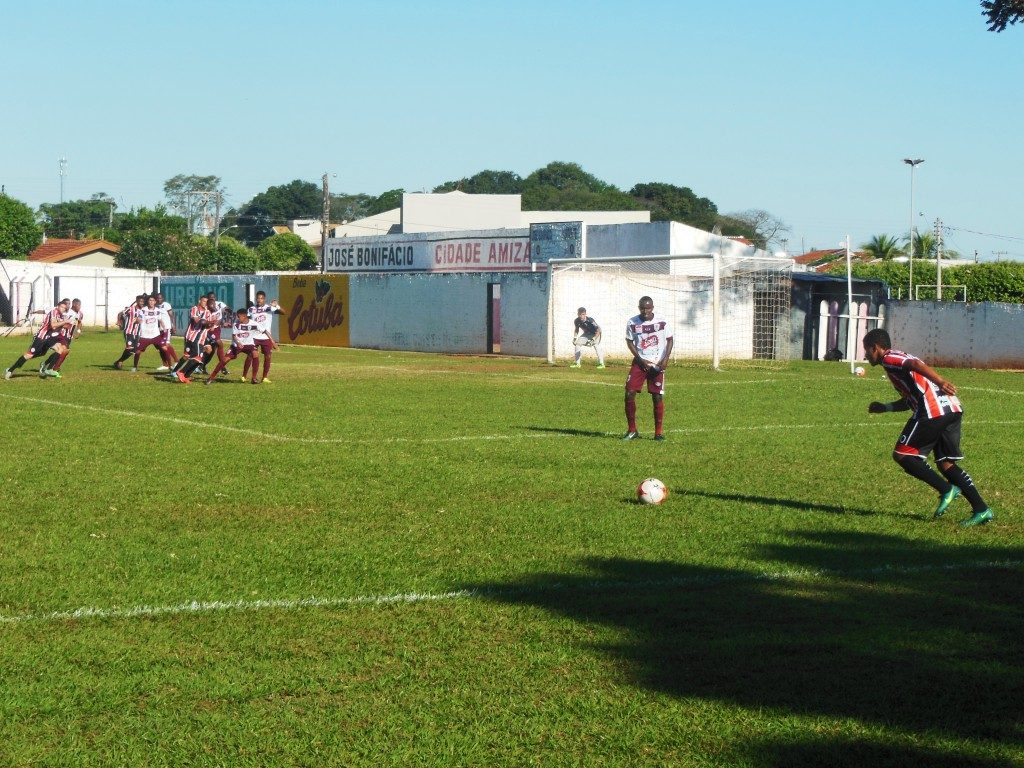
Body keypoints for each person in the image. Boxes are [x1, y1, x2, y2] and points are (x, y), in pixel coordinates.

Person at [863, 328, 994, 527]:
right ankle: (982, 509)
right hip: (951, 409)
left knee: (903, 455)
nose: (866, 355)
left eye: (867, 350)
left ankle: (946, 489)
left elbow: (915, 364)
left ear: (876, 348)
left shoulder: (890, 358)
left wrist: (941, 381)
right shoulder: (895, 365)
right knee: (946, 464)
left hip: (933, 411)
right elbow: (909, 399)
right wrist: (886, 407)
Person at [623, 296, 673, 441]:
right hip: (640, 363)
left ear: (652, 307)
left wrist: (666, 359)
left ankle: (658, 433)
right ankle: (632, 430)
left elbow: (670, 339)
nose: (645, 311)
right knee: (629, 393)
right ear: (639, 308)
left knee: (657, 396)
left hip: (657, 363)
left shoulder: (662, 321)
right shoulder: (632, 322)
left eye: (648, 308)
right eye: (643, 308)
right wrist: (640, 359)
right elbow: (629, 341)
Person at [4, 299, 73, 379]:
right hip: (41, 337)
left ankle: (49, 369)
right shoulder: (54, 312)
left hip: (49, 338)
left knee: (60, 349)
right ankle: (10, 370)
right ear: (58, 306)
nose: (62, 309)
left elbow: (61, 325)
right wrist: (65, 322)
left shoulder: (60, 316)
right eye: (61, 307)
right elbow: (53, 325)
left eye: (64, 308)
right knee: (29, 355)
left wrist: (69, 323)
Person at [205, 308, 261, 385]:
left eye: (239, 316)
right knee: (225, 360)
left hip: (249, 345)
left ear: (244, 316)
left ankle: (254, 378)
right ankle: (211, 377)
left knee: (255, 354)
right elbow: (234, 336)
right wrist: (238, 343)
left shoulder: (254, 324)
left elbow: (264, 330)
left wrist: (271, 341)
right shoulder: (236, 324)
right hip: (236, 345)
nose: (237, 318)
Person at [170, 296, 215, 381]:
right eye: (203, 301)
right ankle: (177, 372)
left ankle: (186, 374)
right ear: (199, 301)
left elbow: (210, 326)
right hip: (192, 336)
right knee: (188, 356)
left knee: (207, 351)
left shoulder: (208, 312)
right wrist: (207, 322)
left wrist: (209, 323)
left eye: (206, 301)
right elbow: (197, 320)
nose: (205, 303)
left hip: (202, 336)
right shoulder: (195, 309)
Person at [40, 298, 84, 378]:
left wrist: (78, 331)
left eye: (80, 305)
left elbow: (80, 322)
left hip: (69, 337)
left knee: (62, 352)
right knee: (64, 351)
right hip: (62, 335)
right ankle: (53, 369)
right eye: (78, 305)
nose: (80, 307)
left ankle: (46, 364)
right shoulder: (67, 312)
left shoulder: (80, 313)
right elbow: (57, 319)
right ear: (74, 305)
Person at [244, 291, 282, 383]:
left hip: (266, 337)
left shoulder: (269, 308)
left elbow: (283, 312)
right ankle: (244, 376)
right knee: (250, 355)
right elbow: (246, 320)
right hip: (254, 337)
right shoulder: (251, 309)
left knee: (268, 356)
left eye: (261, 298)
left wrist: (277, 305)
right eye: (258, 298)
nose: (259, 300)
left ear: (264, 299)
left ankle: (264, 377)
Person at [132, 294, 172, 371]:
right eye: (150, 300)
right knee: (137, 352)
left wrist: (164, 328)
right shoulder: (143, 310)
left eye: (153, 300)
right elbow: (139, 319)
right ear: (148, 301)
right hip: (145, 335)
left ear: (155, 302)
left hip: (155, 335)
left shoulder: (157, 310)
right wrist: (137, 321)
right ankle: (134, 367)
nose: (151, 302)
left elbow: (160, 320)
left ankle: (170, 366)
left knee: (164, 348)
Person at [113, 294, 146, 369]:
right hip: (129, 331)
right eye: (140, 301)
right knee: (130, 348)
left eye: (143, 302)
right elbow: (121, 313)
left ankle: (119, 361)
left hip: (137, 333)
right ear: (137, 301)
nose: (142, 303)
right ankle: (119, 362)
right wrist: (119, 321)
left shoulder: (143, 310)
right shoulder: (131, 309)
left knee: (134, 351)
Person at [153, 291, 178, 372]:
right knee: (161, 347)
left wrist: (173, 326)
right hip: (158, 329)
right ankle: (165, 364)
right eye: (157, 298)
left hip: (166, 328)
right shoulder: (155, 306)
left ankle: (176, 361)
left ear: (163, 298)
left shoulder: (166, 305)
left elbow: (171, 315)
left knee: (166, 344)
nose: (159, 299)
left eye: (160, 298)